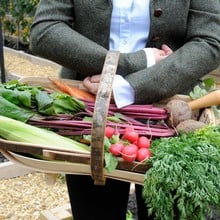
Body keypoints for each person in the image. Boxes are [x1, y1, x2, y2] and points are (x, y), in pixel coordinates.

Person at [30, 1, 220, 219]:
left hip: (174, 117)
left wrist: (130, 87)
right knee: (95, 212)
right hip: (87, 113)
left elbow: (209, 41)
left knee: (167, 211)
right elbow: (45, 30)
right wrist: (133, 63)